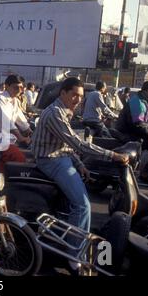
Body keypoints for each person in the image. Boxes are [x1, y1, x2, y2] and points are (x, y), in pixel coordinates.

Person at [30, 77, 129, 268]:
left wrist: (78, 164)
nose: (77, 99)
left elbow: (66, 146)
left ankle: (75, 239)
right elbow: (77, 144)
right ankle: (74, 256)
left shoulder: (65, 111)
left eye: (81, 96)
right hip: (50, 161)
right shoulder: (55, 113)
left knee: (78, 200)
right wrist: (113, 155)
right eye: (74, 95)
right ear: (63, 93)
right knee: (82, 205)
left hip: (61, 157)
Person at [0, 74, 32, 172]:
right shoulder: (0, 98)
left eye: (21, 87)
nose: (19, 90)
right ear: (6, 86)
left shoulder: (14, 100)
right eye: (16, 87)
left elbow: (21, 119)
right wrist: (21, 137)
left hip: (8, 140)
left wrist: (30, 132)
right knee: (20, 160)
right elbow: (7, 121)